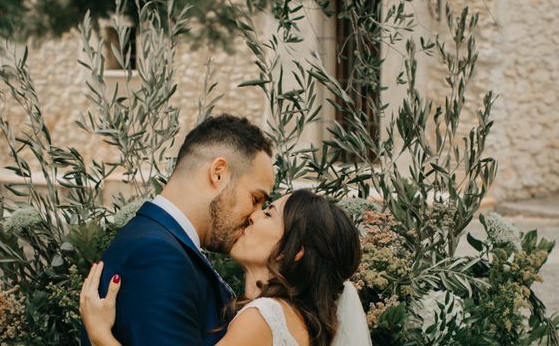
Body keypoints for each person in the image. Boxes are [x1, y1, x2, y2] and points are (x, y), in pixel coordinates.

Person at [81, 189, 371, 346]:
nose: (254, 216)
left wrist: (101, 336)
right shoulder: (302, 326)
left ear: (292, 252)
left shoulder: (266, 317)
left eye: (269, 213)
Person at [80, 114, 276, 346]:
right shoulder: (157, 254)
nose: (255, 215)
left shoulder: (160, 241)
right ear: (219, 173)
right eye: (255, 198)